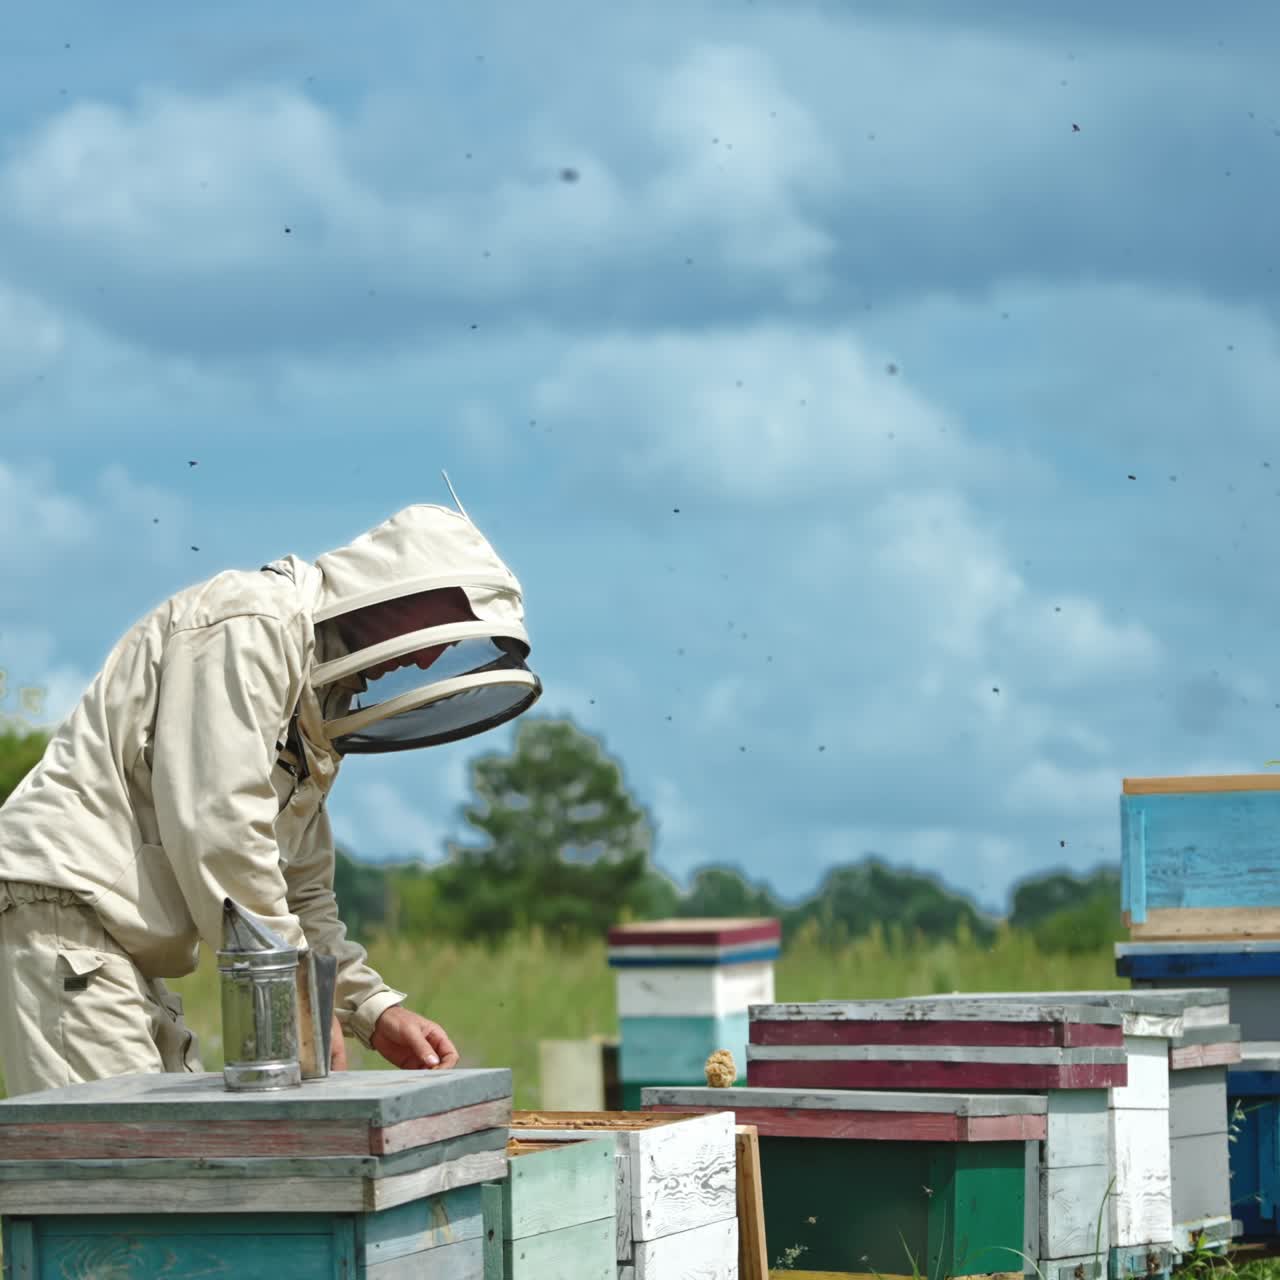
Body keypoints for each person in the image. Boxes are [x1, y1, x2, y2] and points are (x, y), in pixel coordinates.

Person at [0, 498, 541, 1095]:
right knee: (114, 1167)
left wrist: (370, 1007)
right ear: (401, 590)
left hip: (121, 940)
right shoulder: (252, 622)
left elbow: (300, 886)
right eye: (441, 622)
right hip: (67, 914)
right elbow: (218, 823)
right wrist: (295, 993)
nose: (431, 655)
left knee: (165, 1158)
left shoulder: (317, 692)